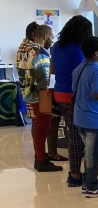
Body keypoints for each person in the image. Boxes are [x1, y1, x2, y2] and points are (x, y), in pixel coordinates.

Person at [51, 15, 94, 187]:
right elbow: (83, 75)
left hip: (60, 93)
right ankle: (75, 175)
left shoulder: (56, 47)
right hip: (74, 95)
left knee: (73, 132)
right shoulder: (79, 50)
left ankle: (75, 173)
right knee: (76, 136)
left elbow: (53, 70)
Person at [72, 36, 98, 197]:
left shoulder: (79, 68)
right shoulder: (96, 70)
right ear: (96, 52)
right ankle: (92, 186)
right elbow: (96, 94)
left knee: (88, 152)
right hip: (93, 118)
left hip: (80, 117)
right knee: (92, 154)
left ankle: (88, 182)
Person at [22, 25, 63, 172]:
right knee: (42, 127)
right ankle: (41, 160)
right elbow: (42, 78)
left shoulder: (30, 50)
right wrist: (46, 94)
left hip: (32, 94)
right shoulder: (41, 52)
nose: (52, 41)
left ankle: (39, 157)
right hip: (40, 95)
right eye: (51, 37)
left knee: (39, 127)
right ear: (45, 36)